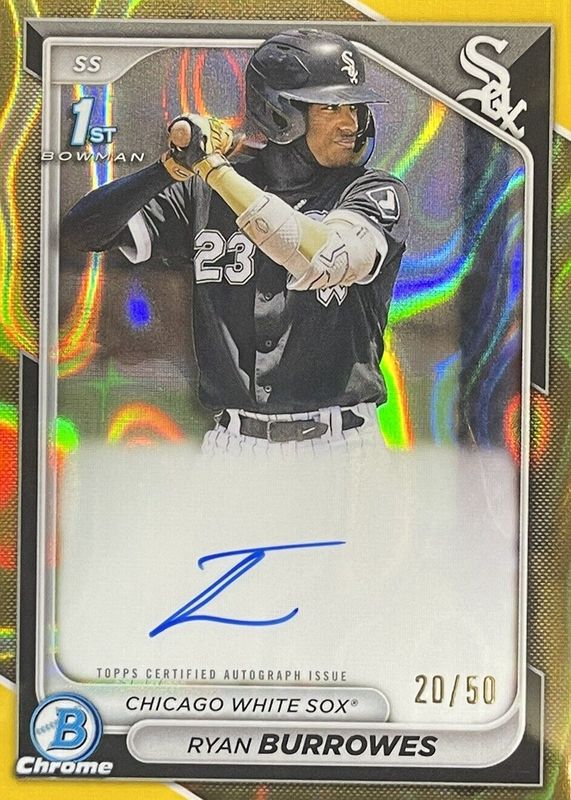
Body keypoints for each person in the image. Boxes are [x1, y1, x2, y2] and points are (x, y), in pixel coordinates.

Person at [62, 29, 410, 454]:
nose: (350, 124)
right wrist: (169, 168)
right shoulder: (202, 192)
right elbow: (82, 231)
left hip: (340, 445)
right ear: (281, 114)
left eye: (354, 107)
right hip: (234, 445)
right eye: (332, 107)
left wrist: (213, 168)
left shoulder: (374, 191)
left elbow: (324, 257)